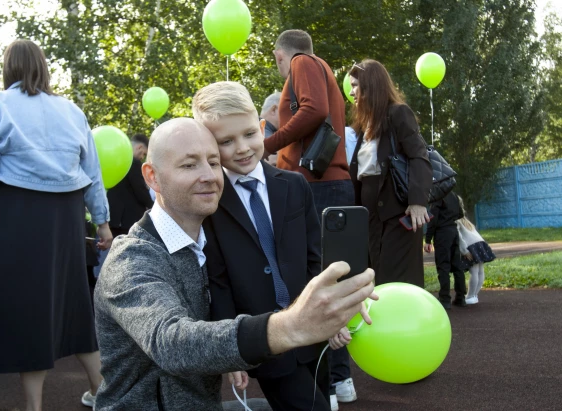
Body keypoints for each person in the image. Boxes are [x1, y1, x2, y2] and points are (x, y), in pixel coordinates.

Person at [93, 117, 377, 410]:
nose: (208, 176)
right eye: (189, 165)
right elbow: (171, 341)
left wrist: (333, 302)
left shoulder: (204, 245)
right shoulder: (131, 259)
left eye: (214, 162)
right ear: (152, 176)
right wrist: (292, 326)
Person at [0, 39, 112, 411]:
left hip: (15, 216)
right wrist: (102, 223)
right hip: (67, 219)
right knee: (75, 308)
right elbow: (92, 172)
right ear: (43, 66)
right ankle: (107, 393)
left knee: (28, 311)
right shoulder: (71, 110)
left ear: (7, 68)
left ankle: (34, 406)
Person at [192, 82, 330, 410]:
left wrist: (327, 312)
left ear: (262, 128)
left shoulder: (294, 185)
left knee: (321, 397)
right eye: (226, 141)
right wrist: (231, 349)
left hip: (312, 329)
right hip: (264, 339)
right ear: (210, 147)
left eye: (248, 135)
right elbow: (219, 282)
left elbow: (315, 256)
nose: (241, 148)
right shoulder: (211, 204)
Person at [266, 29, 356, 409]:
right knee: (332, 282)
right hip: (331, 186)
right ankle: (339, 380)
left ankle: (330, 387)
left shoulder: (302, 63)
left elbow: (313, 111)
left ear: (280, 55)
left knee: (314, 283)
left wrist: (267, 145)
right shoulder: (324, 68)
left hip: (314, 187)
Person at [347, 59, 432, 287]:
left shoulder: (398, 114)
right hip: (371, 216)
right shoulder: (364, 125)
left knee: (397, 280)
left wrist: (417, 202)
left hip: (398, 213)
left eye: (356, 85)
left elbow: (418, 156)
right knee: (377, 278)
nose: (352, 91)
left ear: (371, 85)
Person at [424, 191, 467, 309]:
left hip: (442, 234)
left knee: (443, 266)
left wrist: (428, 240)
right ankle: (461, 297)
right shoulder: (454, 195)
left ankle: (445, 298)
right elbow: (460, 214)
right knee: (457, 266)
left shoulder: (438, 197)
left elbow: (433, 219)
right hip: (453, 231)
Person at [106, 133, 154, 238]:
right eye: (143, 154)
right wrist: (153, 206)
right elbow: (140, 190)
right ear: (139, 147)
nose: (142, 157)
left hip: (113, 216)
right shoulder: (133, 163)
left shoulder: (113, 158)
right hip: (128, 219)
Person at [456, 196, 496, 305]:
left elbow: (459, 237)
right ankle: (474, 295)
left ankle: (469, 296)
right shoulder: (464, 219)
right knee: (480, 271)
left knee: (473, 272)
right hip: (480, 244)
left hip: (471, 246)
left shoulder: (455, 220)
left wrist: (464, 251)